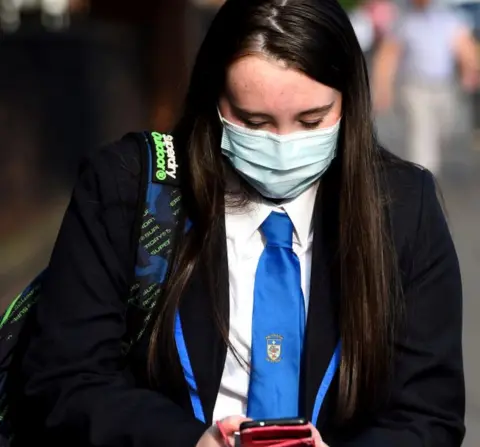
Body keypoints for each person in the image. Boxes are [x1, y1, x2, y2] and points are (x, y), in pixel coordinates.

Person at [17, 0, 464, 446]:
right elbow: (66, 379)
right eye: (253, 121)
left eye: (312, 121)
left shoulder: (403, 207)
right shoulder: (128, 189)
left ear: (350, 101)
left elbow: (428, 413)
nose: (284, 147)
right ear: (213, 98)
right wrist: (188, 441)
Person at [372, 0, 480, 175]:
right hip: (415, 89)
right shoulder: (404, 21)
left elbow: (464, 48)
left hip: (444, 88)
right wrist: (383, 88)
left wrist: (470, 70)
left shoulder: (449, 19)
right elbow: (388, 56)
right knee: (422, 132)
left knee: (444, 128)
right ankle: (423, 177)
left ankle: (426, 170)